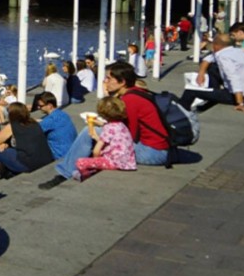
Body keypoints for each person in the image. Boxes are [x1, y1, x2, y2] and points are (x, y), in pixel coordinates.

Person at [39, 61, 172, 189]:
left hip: (154, 152)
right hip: (156, 147)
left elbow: (128, 134)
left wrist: (101, 136)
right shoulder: (135, 92)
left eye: (108, 78)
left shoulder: (130, 100)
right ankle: (76, 165)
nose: (105, 81)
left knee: (88, 132)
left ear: (122, 82)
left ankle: (65, 172)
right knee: (96, 133)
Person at [178, 33, 244, 113]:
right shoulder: (238, 51)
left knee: (190, 92)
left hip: (241, 96)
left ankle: (180, 112)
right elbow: (207, 60)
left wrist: (240, 103)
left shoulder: (223, 56)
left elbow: (234, 78)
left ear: (216, 45)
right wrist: (201, 74)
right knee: (212, 67)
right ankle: (214, 91)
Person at [73, 97, 137, 181]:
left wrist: (96, 161)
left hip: (114, 162)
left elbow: (96, 151)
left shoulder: (108, 128)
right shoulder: (121, 125)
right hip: (128, 162)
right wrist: (96, 135)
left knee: (79, 162)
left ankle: (86, 176)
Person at [0, 102, 54, 175]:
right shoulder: (35, 122)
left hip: (29, 164)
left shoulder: (11, 127)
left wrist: (3, 144)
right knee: (5, 147)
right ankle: (1, 172)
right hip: (46, 159)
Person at [34, 91, 77, 162]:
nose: (39, 108)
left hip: (59, 155)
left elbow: (33, 131)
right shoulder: (63, 114)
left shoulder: (49, 120)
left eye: (41, 106)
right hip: (71, 151)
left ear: (49, 105)